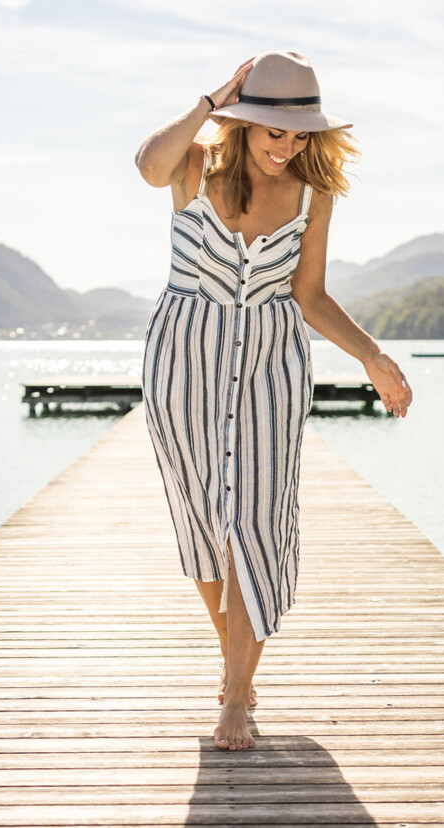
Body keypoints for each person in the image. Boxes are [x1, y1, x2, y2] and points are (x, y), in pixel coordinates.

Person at [135, 51, 412, 752]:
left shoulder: (314, 195)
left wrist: (373, 357)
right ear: (243, 121)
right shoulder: (194, 167)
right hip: (183, 368)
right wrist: (210, 99)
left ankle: (235, 695)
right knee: (204, 525)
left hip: (270, 366)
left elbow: (310, 295)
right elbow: (145, 163)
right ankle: (239, 667)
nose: (286, 148)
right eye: (272, 132)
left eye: (298, 135)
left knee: (254, 525)